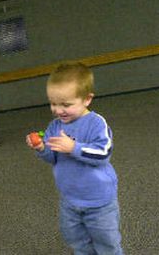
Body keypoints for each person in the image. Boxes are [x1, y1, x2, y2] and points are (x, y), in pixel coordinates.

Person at [26, 62, 123, 254]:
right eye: (53, 103)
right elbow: (52, 158)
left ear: (87, 99)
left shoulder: (96, 123)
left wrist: (74, 148)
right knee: (77, 241)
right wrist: (41, 148)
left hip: (99, 202)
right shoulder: (55, 126)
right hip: (70, 200)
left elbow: (103, 153)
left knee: (107, 244)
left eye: (66, 105)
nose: (58, 110)